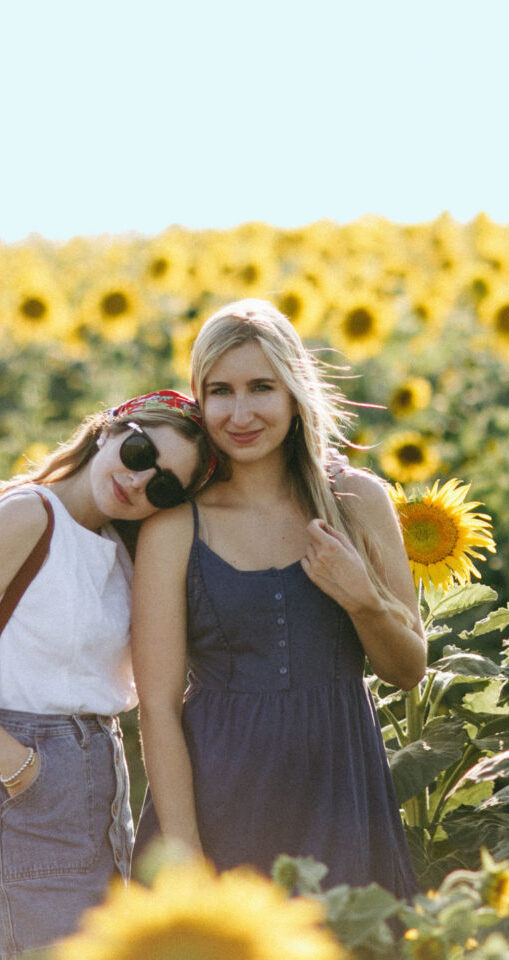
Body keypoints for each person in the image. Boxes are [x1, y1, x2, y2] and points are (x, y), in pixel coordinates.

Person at [132, 298, 427, 898]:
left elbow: (407, 670)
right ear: (199, 398)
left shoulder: (357, 502)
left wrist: (363, 600)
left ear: (294, 392)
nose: (240, 413)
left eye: (261, 387)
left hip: (342, 791)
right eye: (220, 391)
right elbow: (158, 705)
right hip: (219, 794)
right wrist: (184, 851)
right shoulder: (174, 528)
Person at [0, 390, 214, 960]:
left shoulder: (119, 547)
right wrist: (15, 764)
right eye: (140, 452)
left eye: (164, 486)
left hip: (96, 775)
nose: (140, 481)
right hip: (27, 771)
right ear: (113, 426)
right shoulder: (28, 514)